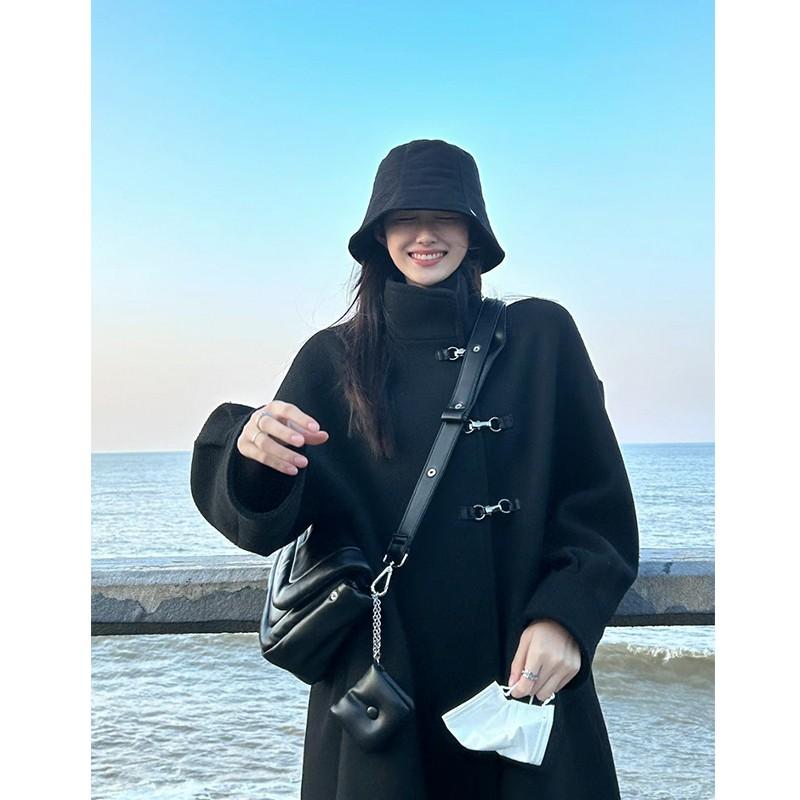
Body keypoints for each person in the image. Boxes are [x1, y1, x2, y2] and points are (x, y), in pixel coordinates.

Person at [190, 138, 640, 800]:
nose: (425, 235)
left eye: (445, 216)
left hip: (523, 674)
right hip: (384, 682)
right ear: (379, 234)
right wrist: (252, 450)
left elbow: (597, 504)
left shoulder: (542, 339)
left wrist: (566, 617)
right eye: (405, 218)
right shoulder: (333, 358)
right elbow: (267, 522)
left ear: (474, 231)